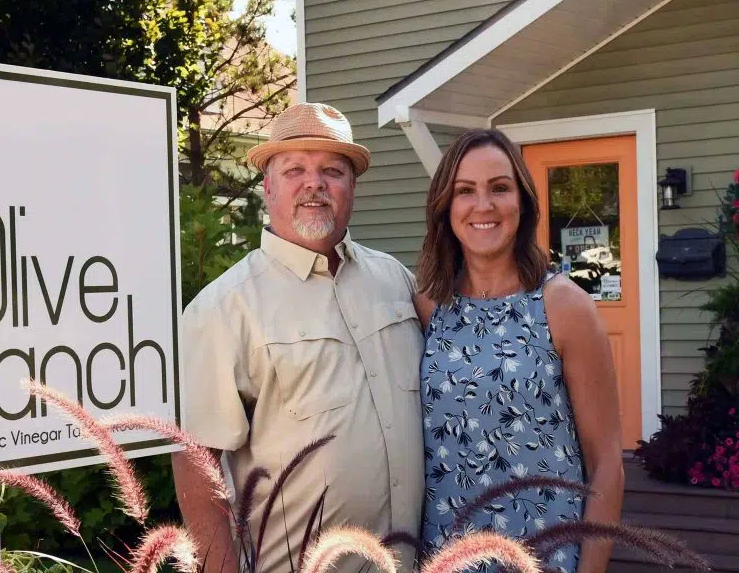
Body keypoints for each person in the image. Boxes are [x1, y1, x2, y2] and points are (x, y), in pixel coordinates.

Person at [173, 102, 426, 573]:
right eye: (295, 170)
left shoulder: (394, 281)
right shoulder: (225, 308)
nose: (315, 183)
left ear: (353, 187)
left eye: (333, 170)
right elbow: (196, 463)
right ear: (267, 186)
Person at [412, 129, 625, 573]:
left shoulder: (563, 305)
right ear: (445, 207)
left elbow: (606, 463)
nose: (483, 205)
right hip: (447, 558)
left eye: (499, 188)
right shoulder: (429, 306)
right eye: (464, 191)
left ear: (522, 202)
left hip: (546, 556)